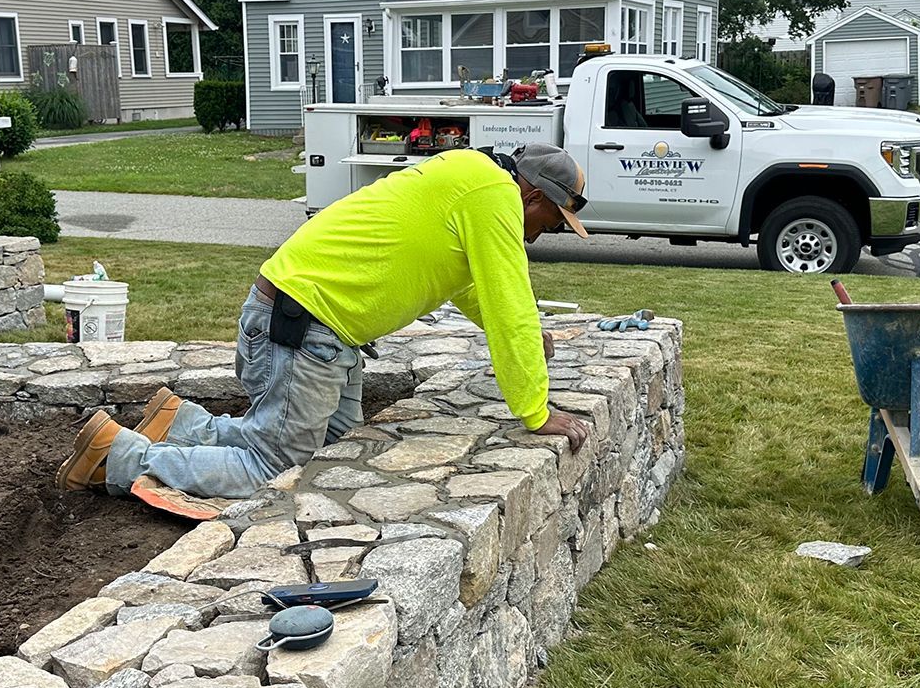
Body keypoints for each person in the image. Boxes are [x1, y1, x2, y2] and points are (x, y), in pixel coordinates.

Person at [58, 143, 594, 516]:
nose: (541, 235)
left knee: (336, 439)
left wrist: (526, 337)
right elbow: (509, 299)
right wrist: (536, 411)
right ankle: (118, 457)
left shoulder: (473, 179)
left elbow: (474, 288)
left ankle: (176, 424)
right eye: (549, 223)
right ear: (534, 197)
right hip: (300, 328)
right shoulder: (493, 196)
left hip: (312, 326)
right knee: (273, 465)